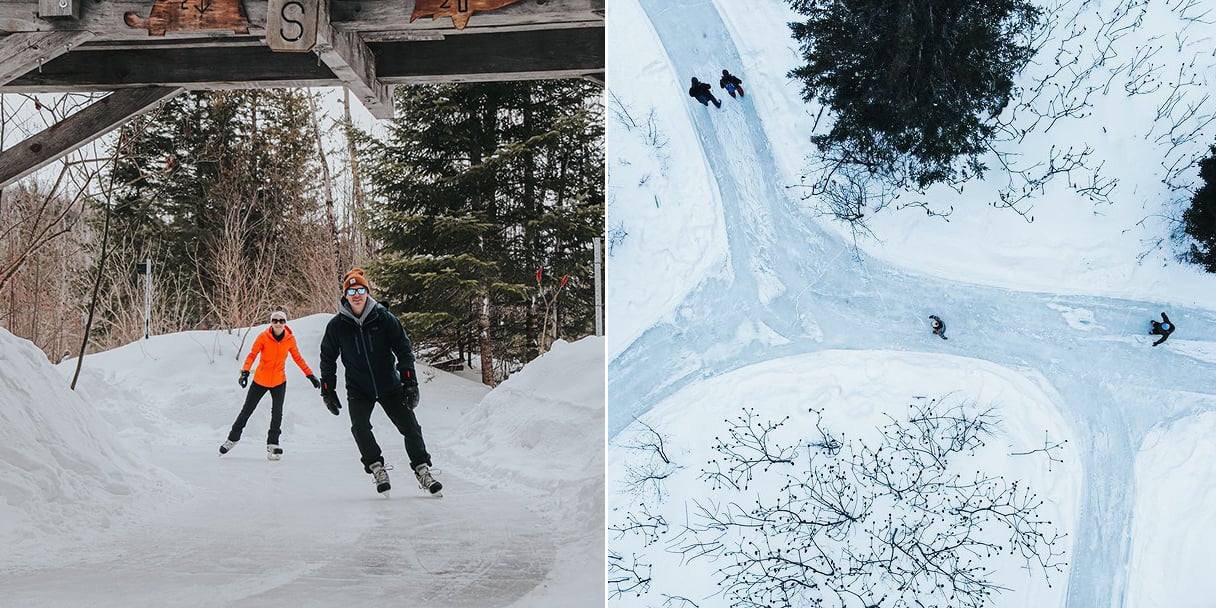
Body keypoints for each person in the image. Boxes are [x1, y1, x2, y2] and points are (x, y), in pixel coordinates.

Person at [319, 268, 442, 496]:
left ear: (367, 292)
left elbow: (403, 349)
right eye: (351, 291)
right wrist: (327, 389)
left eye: (361, 290)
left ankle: (423, 470)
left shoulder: (383, 318)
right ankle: (377, 468)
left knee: (411, 427)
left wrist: (410, 382)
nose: (356, 295)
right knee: (360, 427)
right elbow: (327, 358)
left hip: (389, 385)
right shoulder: (337, 326)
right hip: (358, 388)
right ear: (345, 295)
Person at [220, 311, 320, 460]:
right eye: (275, 320)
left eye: (281, 321)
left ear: (285, 323)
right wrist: (245, 372)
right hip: (260, 380)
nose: (278, 323)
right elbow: (252, 354)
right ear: (271, 322)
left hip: (279, 381)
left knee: (277, 413)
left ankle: (273, 444)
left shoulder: (289, 339)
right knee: (247, 410)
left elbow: (298, 358)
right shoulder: (263, 337)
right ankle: (232, 439)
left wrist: (310, 375)